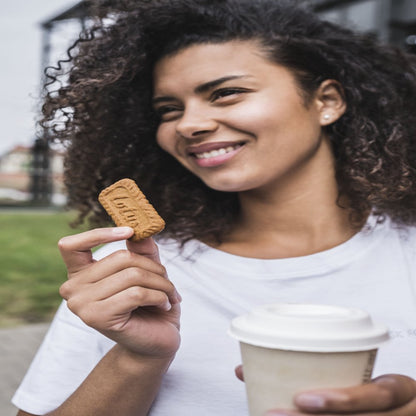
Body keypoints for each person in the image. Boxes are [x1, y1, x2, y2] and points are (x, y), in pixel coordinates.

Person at [13, 0, 416, 415]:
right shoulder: (131, 274)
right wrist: (137, 358)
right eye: (168, 110)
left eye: (226, 93)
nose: (188, 125)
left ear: (326, 101)